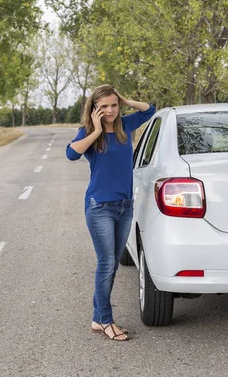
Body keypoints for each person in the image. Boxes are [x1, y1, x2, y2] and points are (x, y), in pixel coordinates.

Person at [66, 84, 155, 341]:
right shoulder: (88, 133)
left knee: (111, 265)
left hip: (125, 206)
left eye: (113, 105)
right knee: (106, 264)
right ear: (94, 109)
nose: (110, 110)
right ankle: (106, 320)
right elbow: (72, 154)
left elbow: (151, 110)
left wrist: (126, 100)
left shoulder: (126, 126)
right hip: (100, 207)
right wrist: (95, 131)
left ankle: (97, 318)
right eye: (103, 106)